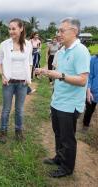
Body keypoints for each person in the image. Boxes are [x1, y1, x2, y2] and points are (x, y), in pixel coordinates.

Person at [35, 17, 90, 178]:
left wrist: (60, 75)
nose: (58, 33)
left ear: (74, 32)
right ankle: (59, 158)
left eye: (61, 30)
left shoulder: (81, 51)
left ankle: (67, 167)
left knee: (67, 138)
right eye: (58, 30)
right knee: (58, 134)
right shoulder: (62, 50)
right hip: (58, 101)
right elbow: (58, 72)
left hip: (70, 104)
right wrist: (46, 72)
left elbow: (82, 80)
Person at [0, 18, 33, 143]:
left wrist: (29, 78)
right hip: (8, 82)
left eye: (14, 28)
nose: (11, 31)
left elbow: (30, 63)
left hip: (22, 82)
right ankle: (3, 131)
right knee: (6, 108)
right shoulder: (4, 44)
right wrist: (2, 75)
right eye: (9, 28)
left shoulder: (28, 45)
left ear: (21, 29)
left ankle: (18, 131)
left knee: (19, 109)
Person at [82, 55, 98, 132]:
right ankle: (85, 124)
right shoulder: (93, 60)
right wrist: (88, 90)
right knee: (90, 109)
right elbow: (89, 76)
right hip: (93, 91)